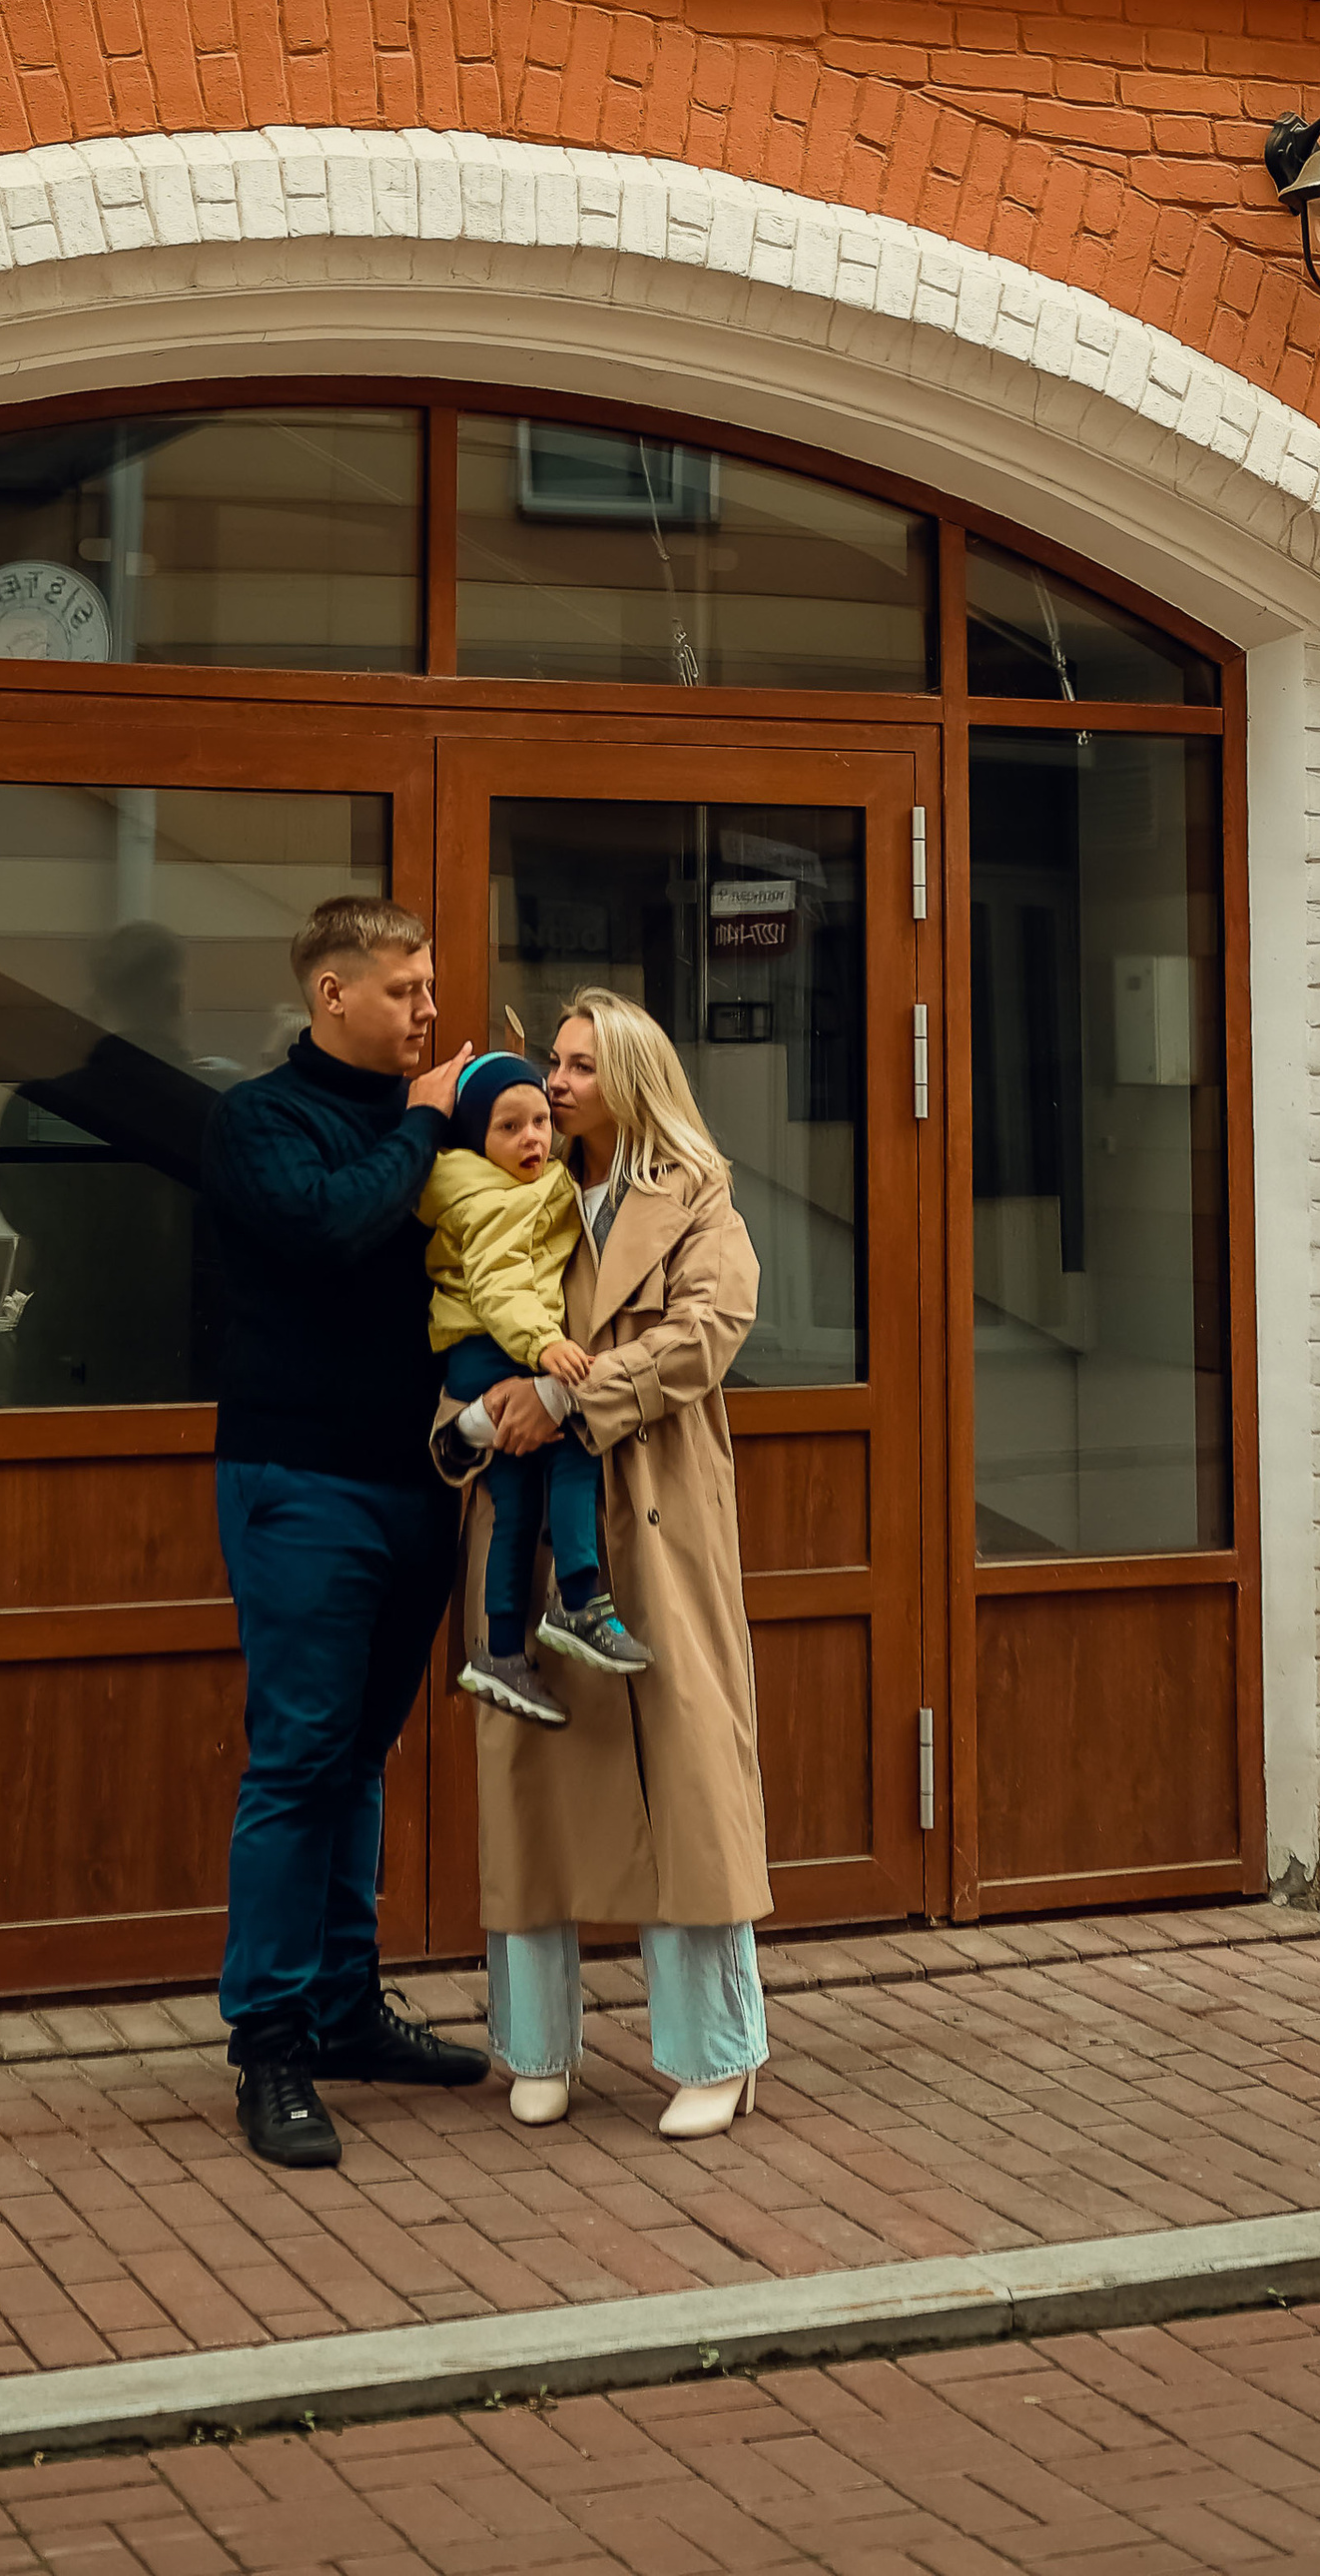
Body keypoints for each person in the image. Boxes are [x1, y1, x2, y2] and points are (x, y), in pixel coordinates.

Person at [435, 986, 772, 2142]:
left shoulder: (695, 1192)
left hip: (655, 1510)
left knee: (686, 1777)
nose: (558, 1081)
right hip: (528, 1519)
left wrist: (567, 1397)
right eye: (554, 1063)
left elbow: (711, 1329)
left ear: (629, 1076)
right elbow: (452, 1320)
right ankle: (533, 2046)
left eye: (581, 1065)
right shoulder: (508, 1186)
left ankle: (712, 2052)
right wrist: (476, 1419)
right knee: (529, 1781)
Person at [200, 894, 492, 2169]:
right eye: (405, 992)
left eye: (431, 991)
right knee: (300, 1755)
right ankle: (270, 2043)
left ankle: (341, 2008)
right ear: (331, 993)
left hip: (420, 1480)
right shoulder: (262, 1120)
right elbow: (331, 1226)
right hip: (299, 1479)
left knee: (365, 1752)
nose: (430, 1013)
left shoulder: (439, 1124)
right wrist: (429, 1120)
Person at [421, 1049, 653, 1727]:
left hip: (478, 1356)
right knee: (576, 1445)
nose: (533, 1139)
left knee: (516, 1504)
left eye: (541, 1123)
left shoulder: (509, 1184)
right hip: (497, 1350)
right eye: (509, 1128)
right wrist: (544, 1348)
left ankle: (498, 1650)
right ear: (475, 1140)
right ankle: (578, 1598)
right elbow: (499, 1286)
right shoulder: (491, 1200)